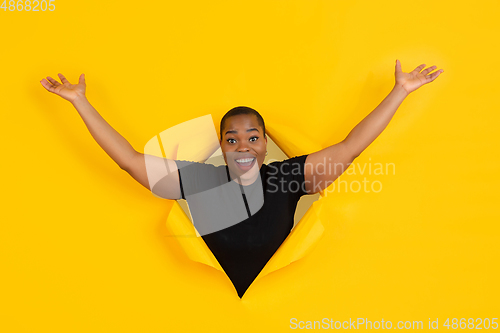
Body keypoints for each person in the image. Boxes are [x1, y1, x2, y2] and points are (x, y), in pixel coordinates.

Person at [40, 60, 443, 297]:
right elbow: (129, 159)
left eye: (253, 137)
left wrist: (400, 92)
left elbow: (351, 146)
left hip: (280, 304)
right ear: (222, 145)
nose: (243, 146)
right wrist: (80, 102)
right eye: (232, 138)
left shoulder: (287, 178)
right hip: (205, 306)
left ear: (265, 144)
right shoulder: (201, 181)